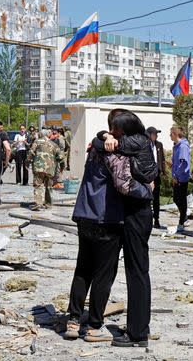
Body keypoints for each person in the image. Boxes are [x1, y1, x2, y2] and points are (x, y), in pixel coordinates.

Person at [65, 111, 153, 344]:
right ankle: (94, 326)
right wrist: (149, 189)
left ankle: (73, 320)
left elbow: (96, 142)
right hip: (107, 219)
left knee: (83, 269)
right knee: (104, 274)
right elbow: (124, 185)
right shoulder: (114, 153)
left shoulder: (95, 149)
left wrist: (101, 136)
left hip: (84, 214)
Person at [26, 129, 64, 210]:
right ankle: (48, 204)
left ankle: (38, 203)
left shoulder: (37, 142)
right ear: (48, 135)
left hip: (38, 168)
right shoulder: (53, 144)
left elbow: (31, 152)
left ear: (40, 134)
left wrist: (27, 162)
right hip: (50, 169)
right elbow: (61, 156)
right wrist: (58, 164)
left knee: (38, 185)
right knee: (49, 186)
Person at [169, 126, 192, 232]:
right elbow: (178, 162)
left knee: (181, 200)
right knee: (176, 199)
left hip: (181, 178)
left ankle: (182, 222)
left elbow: (184, 164)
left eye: (171, 134)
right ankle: (184, 217)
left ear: (176, 134)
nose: (170, 136)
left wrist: (176, 176)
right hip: (177, 177)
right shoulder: (176, 146)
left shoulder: (183, 146)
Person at [146, 127, 166, 230]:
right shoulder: (144, 144)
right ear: (149, 135)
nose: (157, 136)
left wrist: (163, 171)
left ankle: (156, 219)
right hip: (147, 175)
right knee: (147, 198)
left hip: (156, 174)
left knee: (156, 198)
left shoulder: (159, 145)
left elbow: (162, 159)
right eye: (155, 134)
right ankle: (147, 219)